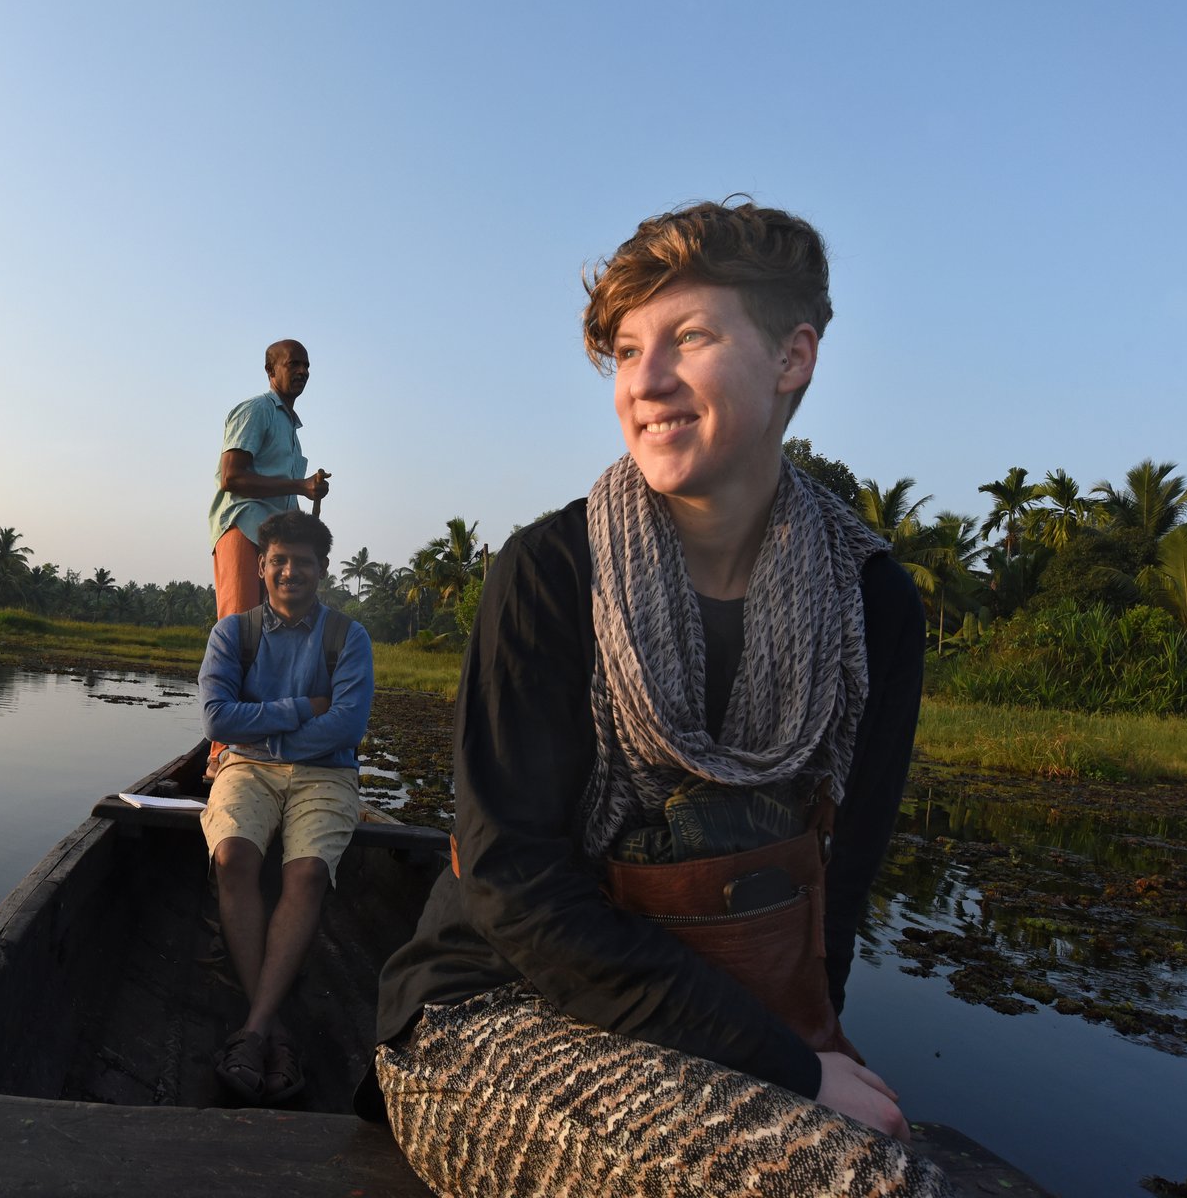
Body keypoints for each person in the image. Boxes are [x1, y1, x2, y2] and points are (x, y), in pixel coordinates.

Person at [369, 201, 953, 1197]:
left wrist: (817, 1050)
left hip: (721, 1023)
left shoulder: (872, 604)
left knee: (886, 1157)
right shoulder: (550, 573)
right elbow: (515, 891)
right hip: (490, 1013)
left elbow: (837, 887)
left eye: (691, 336)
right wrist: (789, 1070)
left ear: (792, 358)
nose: (644, 381)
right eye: (630, 349)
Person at [198, 509, 374, 1106]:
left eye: (302, 561)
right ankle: (271, 1029)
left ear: (321, 570)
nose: (290, 571)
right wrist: (301, 709)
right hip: (247, 768)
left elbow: (348, 723)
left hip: (326, 772)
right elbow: (217, 719)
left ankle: (252, 1029)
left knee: (306, 872)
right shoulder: (234, 634)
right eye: (279, 561)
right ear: (262, 566)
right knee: (233, 859)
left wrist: (264, 733)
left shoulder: (348, 637)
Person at [205, 339, 333, 775]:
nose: (302, 371)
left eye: (306, 365)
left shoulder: (293, 429)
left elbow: (287, 499)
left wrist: (306, 492)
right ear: (270, 370)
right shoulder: (256, 410)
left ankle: (255, 741)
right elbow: (232, 476)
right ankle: (221, 750)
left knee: (270, 638)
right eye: (293, 364)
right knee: (240, 631)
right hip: (243, 529)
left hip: (273, 543)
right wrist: (300, 487)